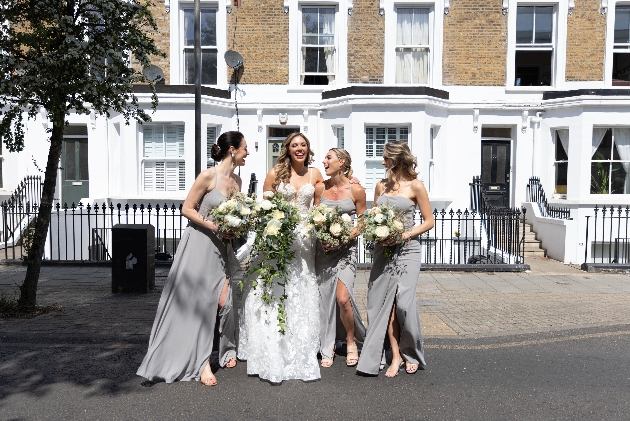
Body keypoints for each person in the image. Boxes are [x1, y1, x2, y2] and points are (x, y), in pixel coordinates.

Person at [137, 131, 248, 386]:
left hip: (222, 247)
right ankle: (202, 363)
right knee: (201, 303)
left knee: (225, 301)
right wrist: (214, 226)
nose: (247, 152)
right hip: (199, 242)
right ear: (232, 149)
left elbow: (237, 215)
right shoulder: (208, 175)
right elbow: (186, 208)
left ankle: (225, 348)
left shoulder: (238, 182)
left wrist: (237, 227)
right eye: (244, 148)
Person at [238, 132, 324, 383]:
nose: (300, 149)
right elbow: (266, 205)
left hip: (305, 240)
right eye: (295, 145)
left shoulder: (315, 174)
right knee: (277, 285)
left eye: (303, 145)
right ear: (287, 149)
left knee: (302, 284)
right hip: (279, 236)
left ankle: (301, 339)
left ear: (308, 148)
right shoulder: (275, 173)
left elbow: (320, 205)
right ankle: (274, 338)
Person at [356, 141, 434, 378]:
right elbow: (372, 216)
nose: (382, 162)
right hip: (383, 251)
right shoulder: (380, 186)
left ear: (398, 160)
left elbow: (429, 221)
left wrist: (404, 234)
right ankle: (396, 355)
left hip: (408, 249)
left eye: (386, 159)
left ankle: (411, 351)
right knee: (383, 304)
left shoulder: (416, 186)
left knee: (403, 303)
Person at [314, 148, 367, 368]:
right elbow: (314, 218)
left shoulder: (357, 190)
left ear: (342, 162)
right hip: (324, 251)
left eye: (328, 158)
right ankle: (328, 344)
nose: (324, 162)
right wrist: (322, 237)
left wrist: (346, 237)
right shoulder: (320, 188)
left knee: (343, 299)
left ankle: (350, 340)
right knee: (325, 300)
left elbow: (363, 222)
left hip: (346, 251)